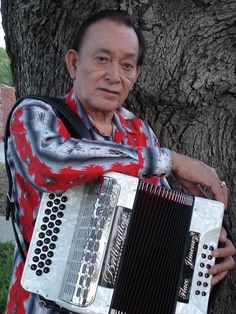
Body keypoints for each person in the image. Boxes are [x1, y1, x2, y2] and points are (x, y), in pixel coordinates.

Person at [5, 9, 235, 314]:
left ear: (135, 74)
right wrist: (171, 160)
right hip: (40, 306)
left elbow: (162, 216)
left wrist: (205, 245)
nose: (115, 76)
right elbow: (52, 163)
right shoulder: (36, 115)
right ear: (74, 63)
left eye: (127, 65)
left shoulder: (140, 133)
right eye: (102, 59)